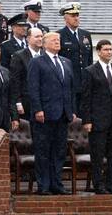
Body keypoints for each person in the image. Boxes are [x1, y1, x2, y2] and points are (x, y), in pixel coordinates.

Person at [26, 31, 77, 195]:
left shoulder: (66, 62)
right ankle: (44, 185)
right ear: (45, 43)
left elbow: (70, 89)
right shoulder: (37, 62)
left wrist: (72, 110)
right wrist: (38, 109)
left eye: (59, 40)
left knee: (59, 151)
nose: (57, 42)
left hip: (62, 114)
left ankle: (57, 183)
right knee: (43, 151)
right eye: (54, 40)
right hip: (45, 115)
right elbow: (33, 88)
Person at [80, 39, 112, 194]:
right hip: (97, 121)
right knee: (98, 155)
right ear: (99, 52)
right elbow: (86, 98)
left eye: (111, 49)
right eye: (106, 49)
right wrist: (86, 120)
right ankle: (99, 185)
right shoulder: (90, 71)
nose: (109, 52)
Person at [57, 3, 94, 112]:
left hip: (85, 84)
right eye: (73, 16)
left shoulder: (85, 35)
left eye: (77, 15)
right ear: (65, 17)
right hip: (69, 84)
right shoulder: (59, 35)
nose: (76, 18)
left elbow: (89, 59)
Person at [10, 25, 45, 122]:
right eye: (37, 36)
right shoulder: (19, 56)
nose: (40, 39)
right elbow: (15, 81)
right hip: (26, 102)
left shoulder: (45, 55)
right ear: (28, 39)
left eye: (41, 36)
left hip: (44, 102)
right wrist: (18, 102)